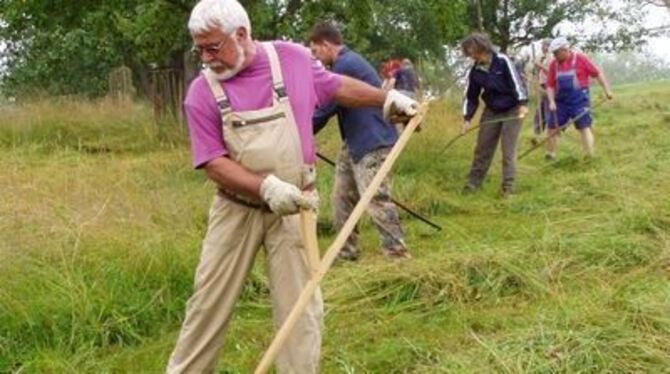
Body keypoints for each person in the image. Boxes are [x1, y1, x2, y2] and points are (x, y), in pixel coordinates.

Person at [166, 1, 418, 373]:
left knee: (301, 311)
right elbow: (213, 163)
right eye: (199, 48)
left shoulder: (291, 59)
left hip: (296, 208)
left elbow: (333, 87)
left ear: (241, 34)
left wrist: (386, 100)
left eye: (213, 47)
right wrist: (264, 187)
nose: (206, 57)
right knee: (207, 304)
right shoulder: (202, 92)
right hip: (237, 209)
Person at [309, 21, 410, 261]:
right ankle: (347, 253)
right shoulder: (344, 63)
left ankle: (397, 255)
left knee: (376, 198)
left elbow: (325, 108)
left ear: (325, 45)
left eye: (315, 52)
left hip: (373, 139)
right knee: (342, 198)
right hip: (354, 142)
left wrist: (301, 132)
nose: (315, 58)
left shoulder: (345, 65)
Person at [461, 33, 529, 197]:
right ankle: (473, 184)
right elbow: (471, 96)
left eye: (474, 52)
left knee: (508, 150)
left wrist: (522, 104)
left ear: (483, 47)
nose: (473, 56)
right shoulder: (475, 71)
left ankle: (508, 188)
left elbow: (517, 83)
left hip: (513, 109)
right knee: (482, 148)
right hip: (491, 110)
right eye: (470, 54)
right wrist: (467, 118)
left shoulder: (502, 61)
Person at [545, 37, 613, 160]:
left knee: (584, 127)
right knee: (552, 127)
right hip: (560, 101)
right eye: (553, 53)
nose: (555, 56)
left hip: (579, 100)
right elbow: (550, 85)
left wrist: (607, 90)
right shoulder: (553, 65)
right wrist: (551, 101)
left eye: (556, 53)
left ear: (565, 50)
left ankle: (589, 155)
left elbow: (597, 74)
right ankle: (551, 155)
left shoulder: (581, 59)